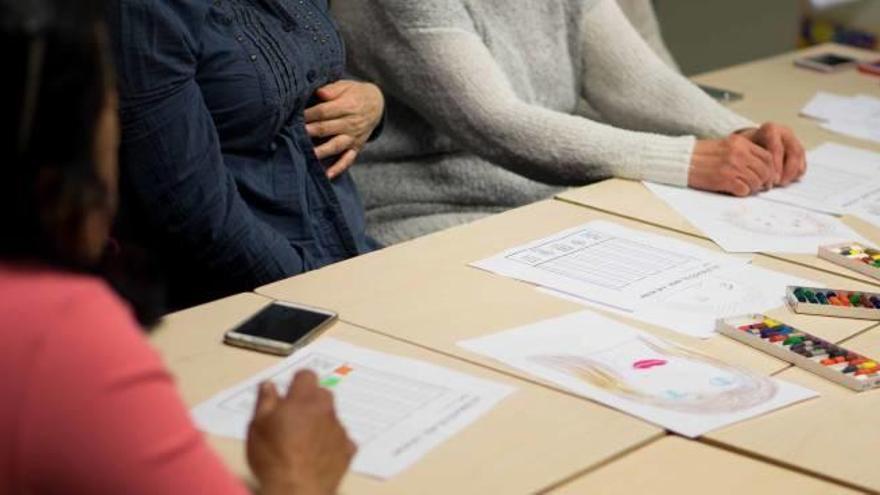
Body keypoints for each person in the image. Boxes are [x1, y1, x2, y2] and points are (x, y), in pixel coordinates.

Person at [0, 1, 356, 493]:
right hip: (258, 292)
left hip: (334, 260)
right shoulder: (59, 329)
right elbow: (192, 205)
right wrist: (298, 473)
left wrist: (370, 103)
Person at [332, 0, 808, 245]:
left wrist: (736, 133)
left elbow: (632, 81)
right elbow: (498, 123)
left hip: (544, 197)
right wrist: (689, 159)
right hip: (425, 215)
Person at [109, 0, 385, 310]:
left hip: (350, 253)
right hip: (244, 295)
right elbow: (190, 207)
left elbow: (307, 66)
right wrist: (311, 291)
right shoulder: (142, 11)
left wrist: (371, 101)